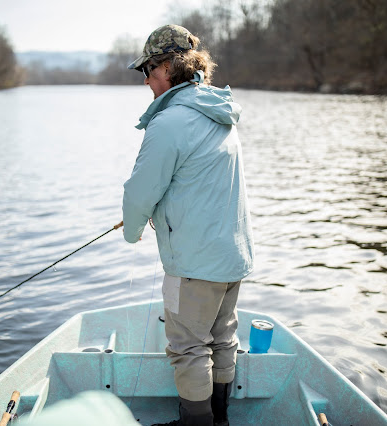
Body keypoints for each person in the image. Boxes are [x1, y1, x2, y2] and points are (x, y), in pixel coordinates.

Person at [122, 24, 254, 426]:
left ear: (168, 66)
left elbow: (139, 193)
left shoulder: (170, 122)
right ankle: (220, 419)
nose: (145, 80)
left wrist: (132, 230)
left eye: (148, 70)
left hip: (194, 265)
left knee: (189, 348)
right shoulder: (219, 112)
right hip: (231, 258)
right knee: (222, 339)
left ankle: (195, 423)